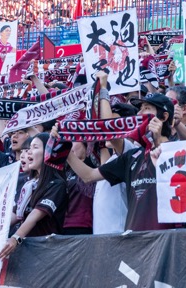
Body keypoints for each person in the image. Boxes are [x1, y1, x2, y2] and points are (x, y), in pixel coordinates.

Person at [64, 93, 176, 231]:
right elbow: (89, 176)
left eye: (146, 108)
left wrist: (103, 90)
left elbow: (109, 129)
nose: (139, 113)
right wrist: (65, 151)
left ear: (164, 117)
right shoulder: (133, 155)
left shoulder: (178, 151)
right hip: (133, 239)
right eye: (139, 109)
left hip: (166, 239)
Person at [0, 133, 67, 258]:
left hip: (47, 253)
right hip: (28, 252)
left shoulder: (57, 184)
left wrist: (15, 238)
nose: (28, 152)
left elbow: (34, 216)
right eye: (29, 148)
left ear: (48, 152)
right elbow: (14, 215)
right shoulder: (29, 185)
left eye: (35, 147)